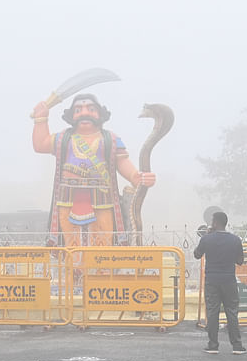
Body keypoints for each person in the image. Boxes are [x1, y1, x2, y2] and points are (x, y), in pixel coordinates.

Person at [32, 93, 155, 247]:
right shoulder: (63, 138)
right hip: (67, 199)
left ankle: (101, 269)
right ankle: (75, 269)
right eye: (78, 110)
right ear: (71, 115)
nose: (84, 113)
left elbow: (122, 162)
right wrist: (40, 119)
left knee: (104, 238)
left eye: (90, 109)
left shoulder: (110, 139)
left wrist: (135, 176)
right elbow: (40, 145)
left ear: (100, 114)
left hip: (102, 199)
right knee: (71, 242)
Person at [193, 211, 246, 354]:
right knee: (232, 312)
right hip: (229, 280)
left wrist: (207, 235)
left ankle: (213, 345)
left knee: (212, 312)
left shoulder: (207, 239)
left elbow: (197, 255)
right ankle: (237, 346)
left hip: (212, 281)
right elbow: (240, 261)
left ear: (215, 223)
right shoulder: (235, 240)